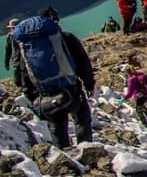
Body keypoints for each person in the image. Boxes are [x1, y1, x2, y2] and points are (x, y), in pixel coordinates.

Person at [13, 8, 94, 148]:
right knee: (82, 119)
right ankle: (87, 152)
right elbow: (83, 62)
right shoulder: (66, 38)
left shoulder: (27, 47)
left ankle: (65, 158)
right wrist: (89, 84)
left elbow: (24, 71)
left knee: (57, 126)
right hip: (71, 88)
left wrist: (31, 96)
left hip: (46, 94)